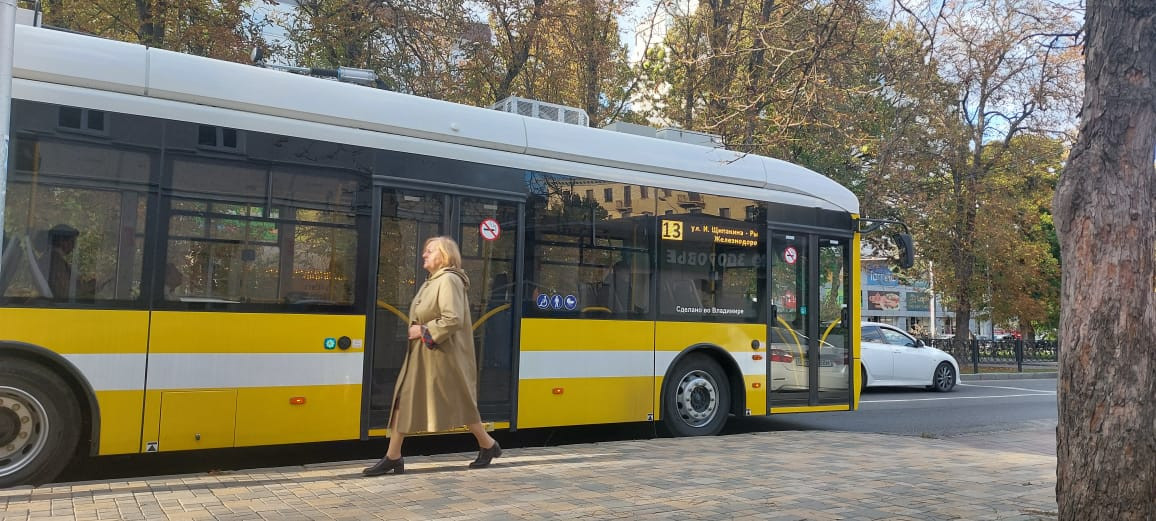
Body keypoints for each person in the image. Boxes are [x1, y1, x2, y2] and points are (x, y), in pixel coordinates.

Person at [363, 236, 500, 476]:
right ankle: (393, 456)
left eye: (429, 251)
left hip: (442, 357)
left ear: (444, 256)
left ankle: (488, 444)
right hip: (425, 355)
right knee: (404, 400)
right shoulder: (433, 280)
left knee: (460, 403)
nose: (424, 255)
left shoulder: (448, 280)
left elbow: (453, 318)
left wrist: (422, 331)